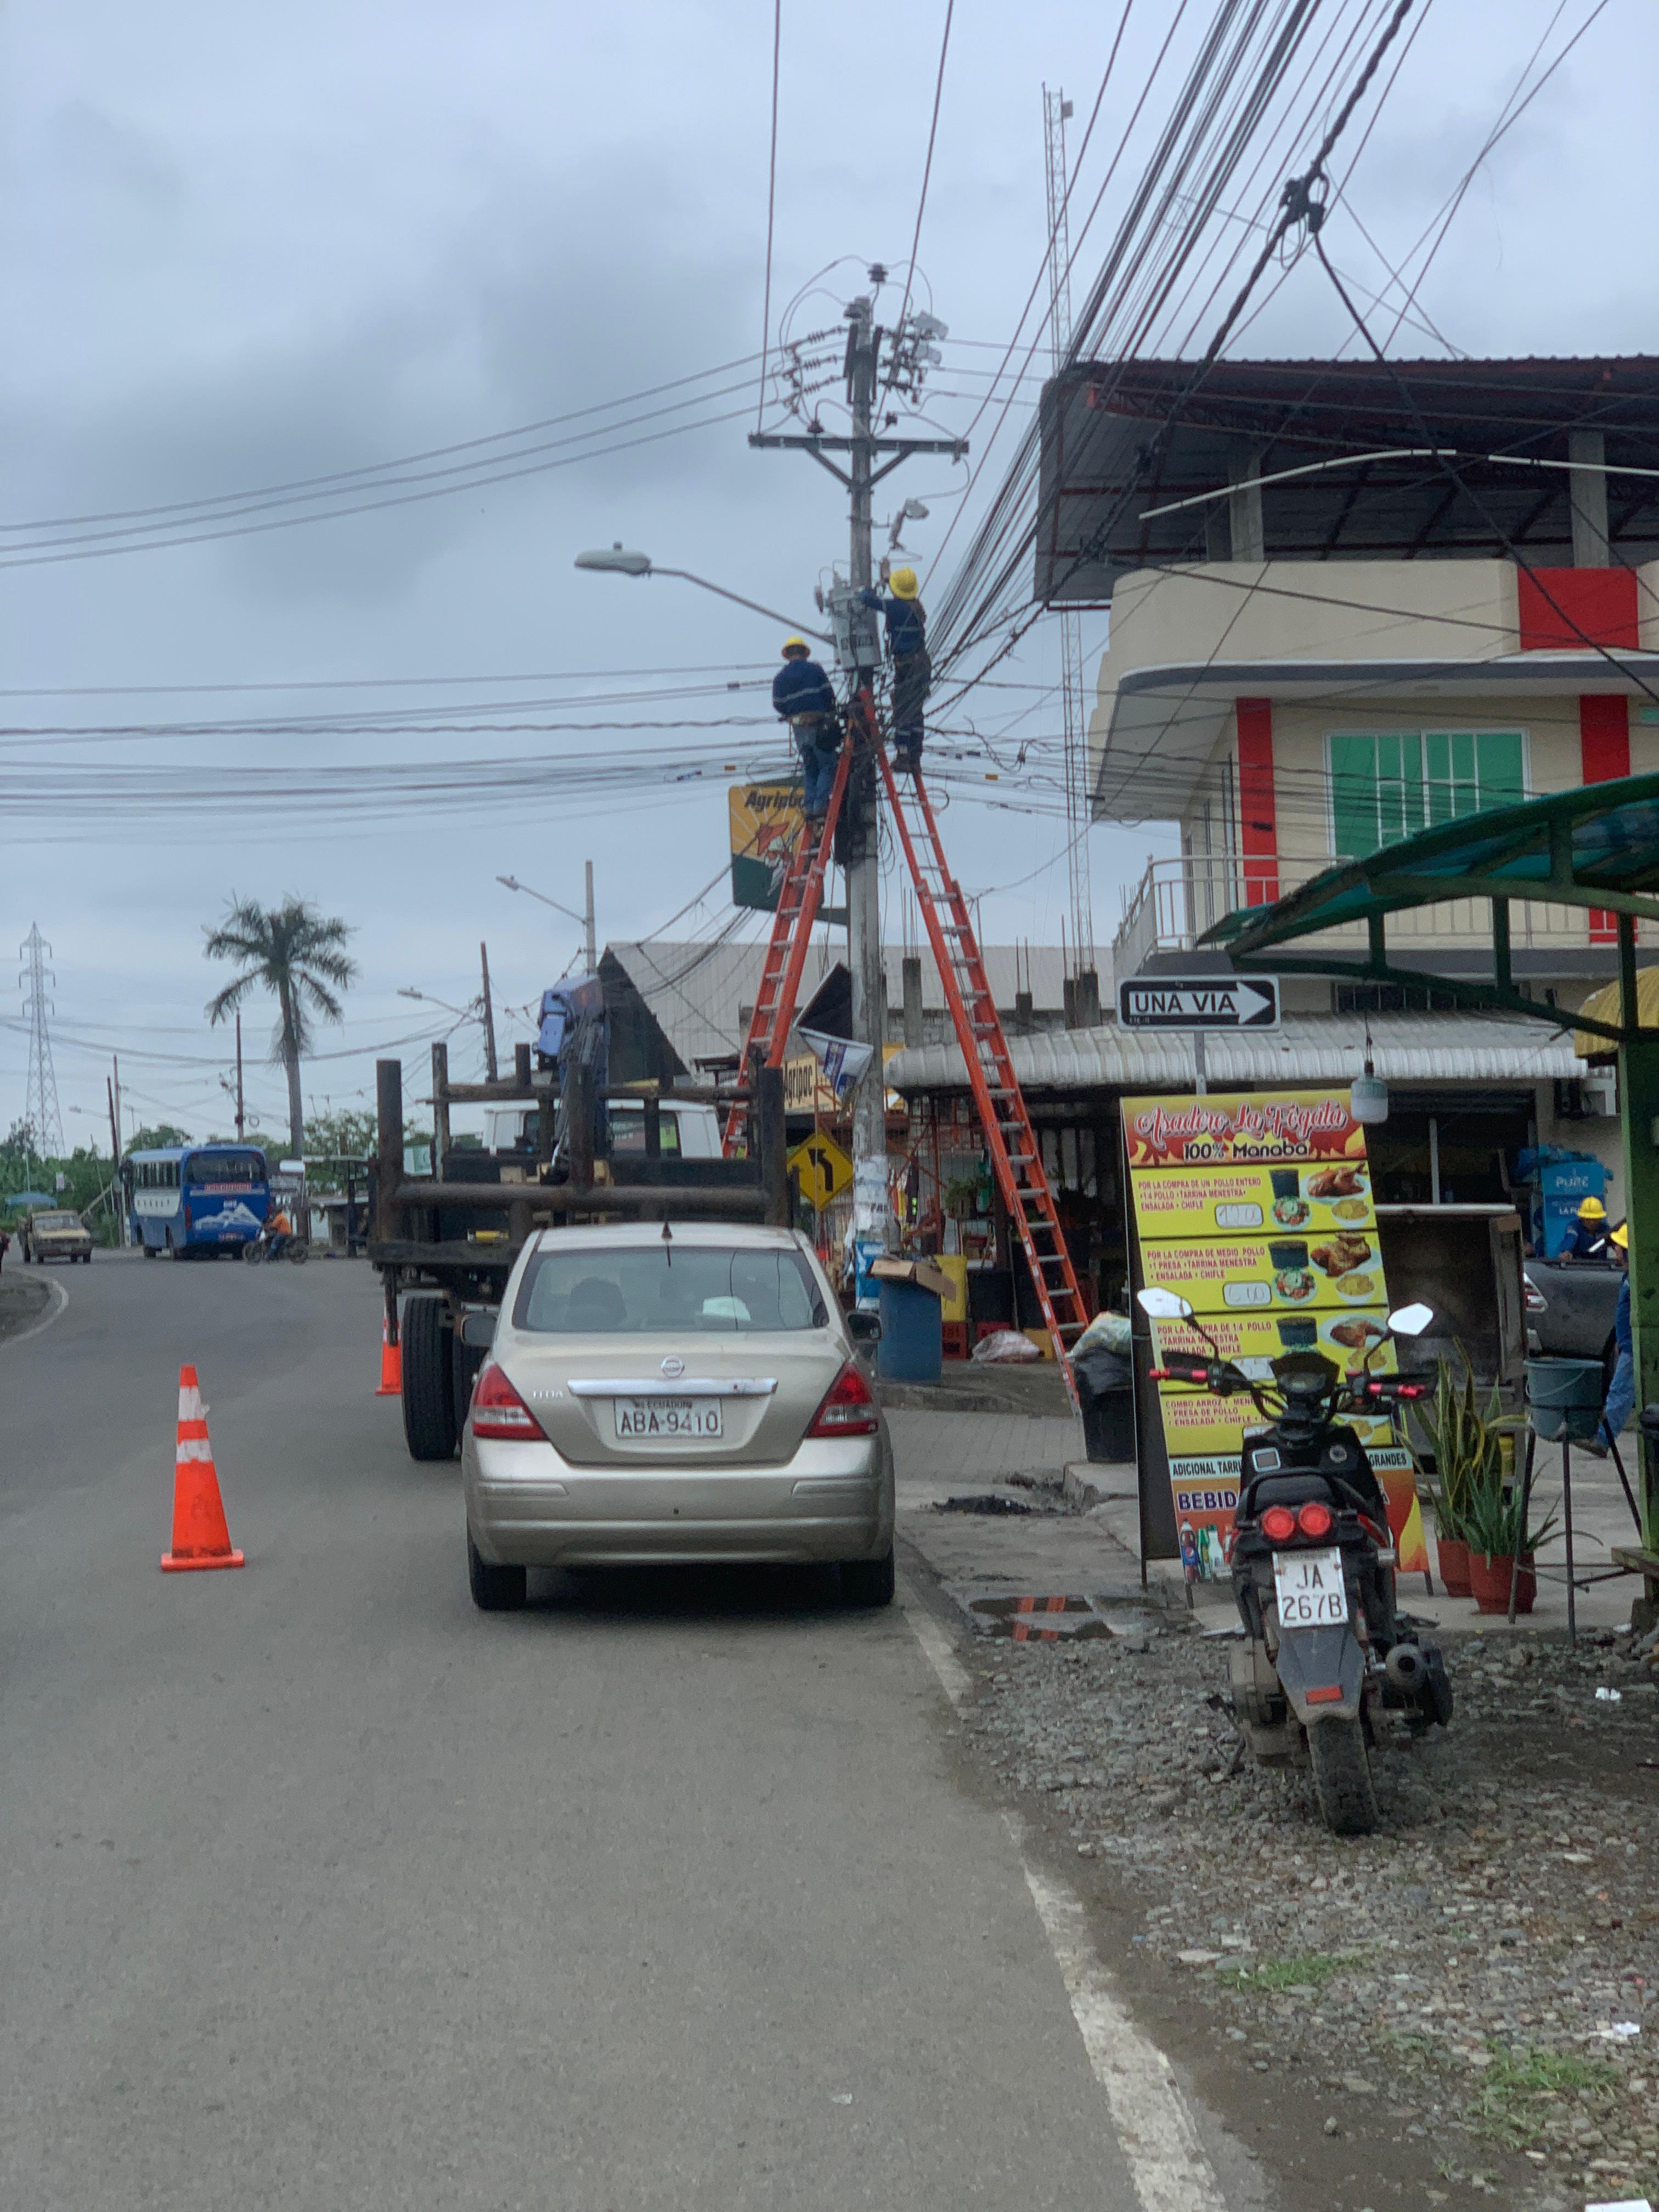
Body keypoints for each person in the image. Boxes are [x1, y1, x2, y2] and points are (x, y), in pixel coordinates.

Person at [859, 566, 930, 772]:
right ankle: (915, 757)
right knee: (915, 711)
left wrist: (865, 590)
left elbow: (869, 600)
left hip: (907, 667)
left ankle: (903, 755)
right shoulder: (916, 606)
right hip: (921, 665)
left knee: (903, 710)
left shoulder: (897, 607)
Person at [770, 636, 840, 820]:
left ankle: (809, 807)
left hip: (799, 727)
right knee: (826, 764)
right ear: (804, 653)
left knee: (810, 767)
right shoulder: (815, 670)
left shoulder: (780, 678)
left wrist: (791, 712)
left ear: (788, 655)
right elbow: (829, 695)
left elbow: (778, 704)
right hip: (818, 724)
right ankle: (820, 806)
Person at [1589, 1220, 1633, 1457]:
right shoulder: (1629, 1276)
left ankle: (1603, 1440)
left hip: (1632, 1348)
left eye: (1618, 1248)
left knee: (1620, 1392)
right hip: (1628, 1345)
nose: (1615, 1252)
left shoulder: (1634, 1278)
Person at [1564, 1193, 1610, 1260]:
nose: (1592, 1222)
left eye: (1595, 1219)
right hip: (1577, 1265)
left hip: (1601, 1265)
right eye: (1588, 1219)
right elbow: (1570, 1239)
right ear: (1582, 1218)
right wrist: (1567, 1251)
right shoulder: (1574, 1227)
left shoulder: (1605, 1230)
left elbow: (1616, 1241)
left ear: (1600, 1218)